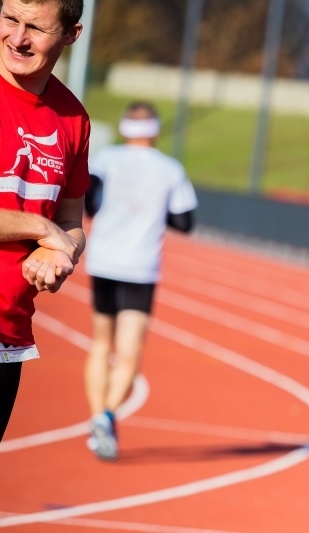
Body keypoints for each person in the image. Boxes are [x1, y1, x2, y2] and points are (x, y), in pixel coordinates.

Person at [82, 101, 198, 461]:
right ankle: (106, 415)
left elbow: (89, 203)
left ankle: (97, 413)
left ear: (123, 129)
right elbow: (185, 222)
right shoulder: (169, 169)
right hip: (140, 266)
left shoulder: (105, 159)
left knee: (101, 343)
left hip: (102, 261)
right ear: (156, 131)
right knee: (129, 350)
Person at [0, 0, 89, 441]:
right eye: (9, 19)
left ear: (71, 34)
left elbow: (71, 220)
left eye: (35, 27)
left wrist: (62, 252)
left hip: (9, 335)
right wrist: (41, 229)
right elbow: (49, 224)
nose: (17, 38)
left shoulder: (74, 118)